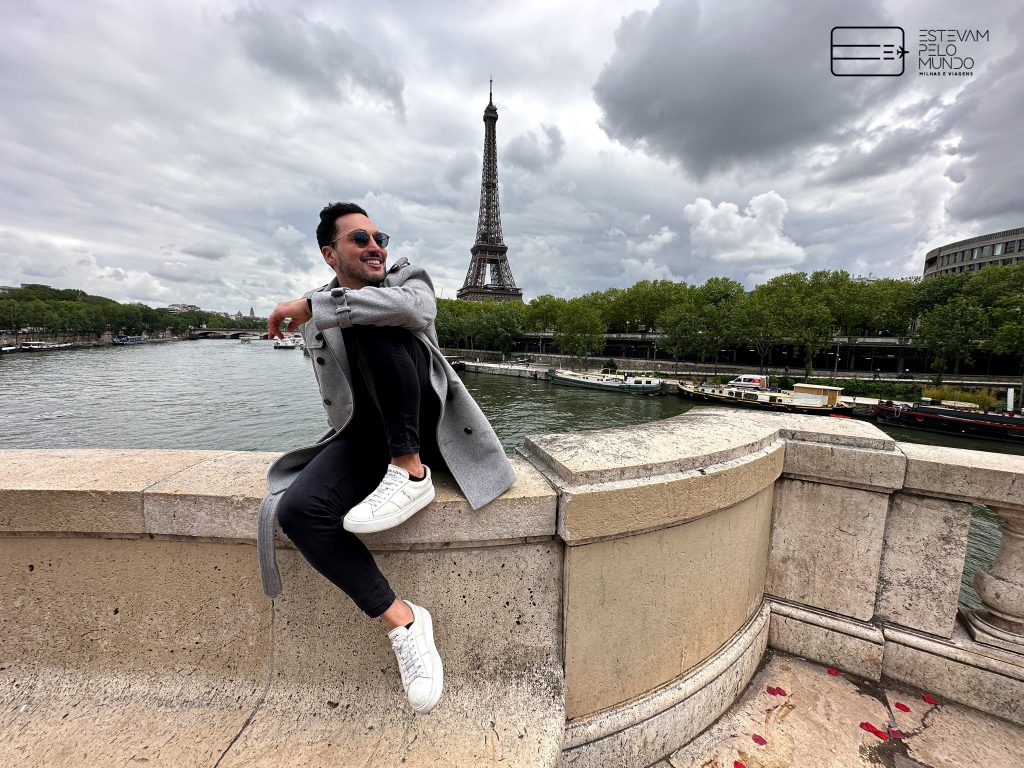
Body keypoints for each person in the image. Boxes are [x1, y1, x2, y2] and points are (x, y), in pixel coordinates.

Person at [256, 202, 516, 715]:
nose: (376, 246)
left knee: (373, 315)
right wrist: (318, 309)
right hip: (365, 434)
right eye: (360, 239)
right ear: (330, 254)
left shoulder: (407, 281)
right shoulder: (321, 316)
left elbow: (414, 312)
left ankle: (411, 470)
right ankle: (404, 620)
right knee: (299, 511)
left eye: (380, 237)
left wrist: (311, 304)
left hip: (426, 430)